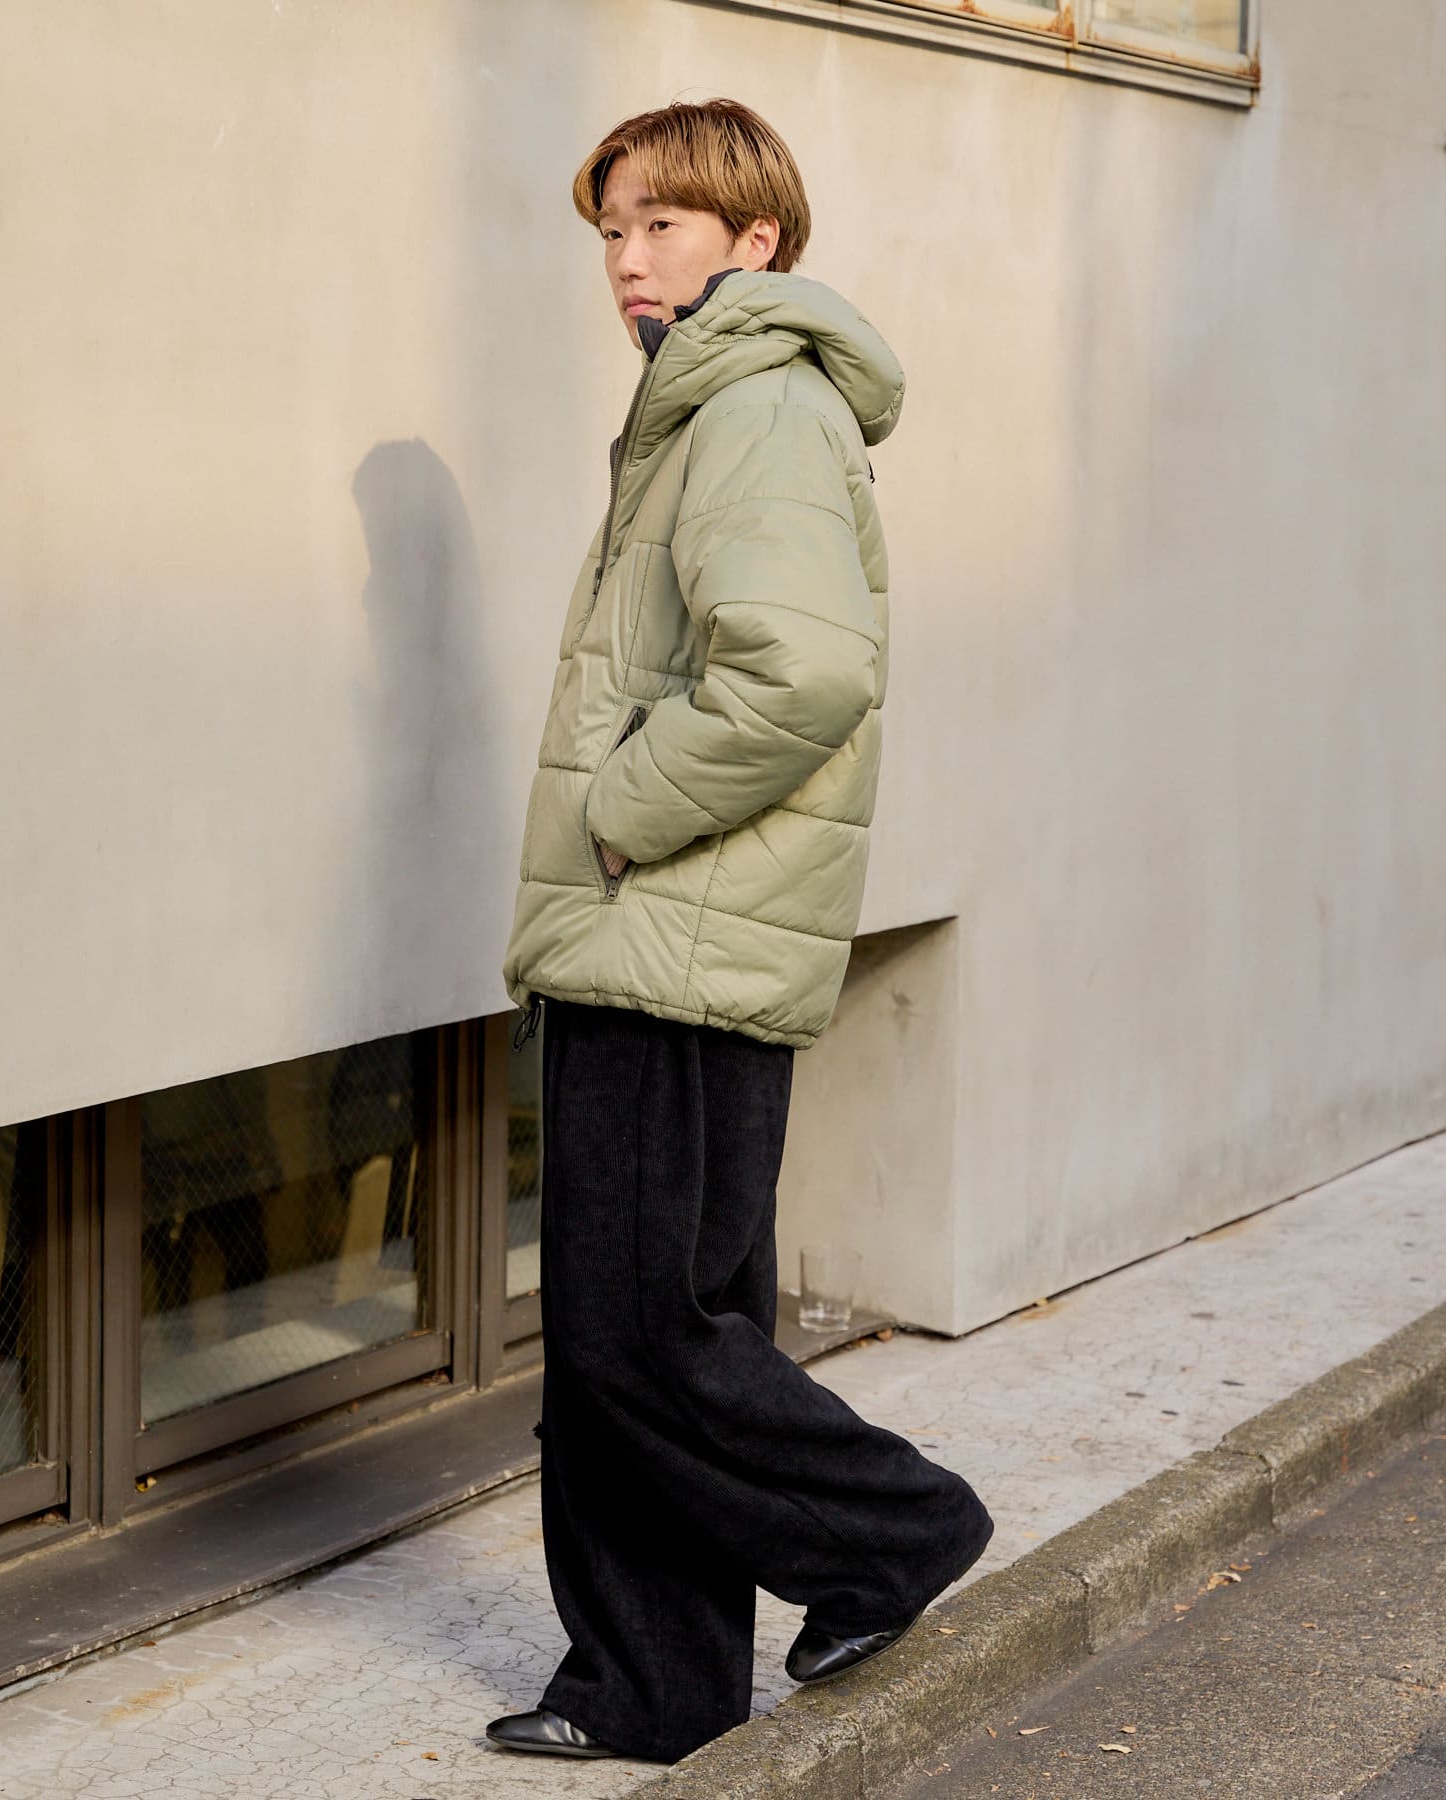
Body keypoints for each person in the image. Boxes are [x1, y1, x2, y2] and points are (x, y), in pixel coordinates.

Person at [491, 97, 993, 1766]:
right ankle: (655, 1683)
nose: (628, 260)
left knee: (639, 1336)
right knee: (650, 1327)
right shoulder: (706, 403)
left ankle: (893, 1532)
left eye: (663, 225)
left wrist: (622, 811)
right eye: (613, 230)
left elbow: (804, 672)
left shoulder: (755, 407)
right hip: (671, 937)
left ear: (754, 240)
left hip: (678, 936)